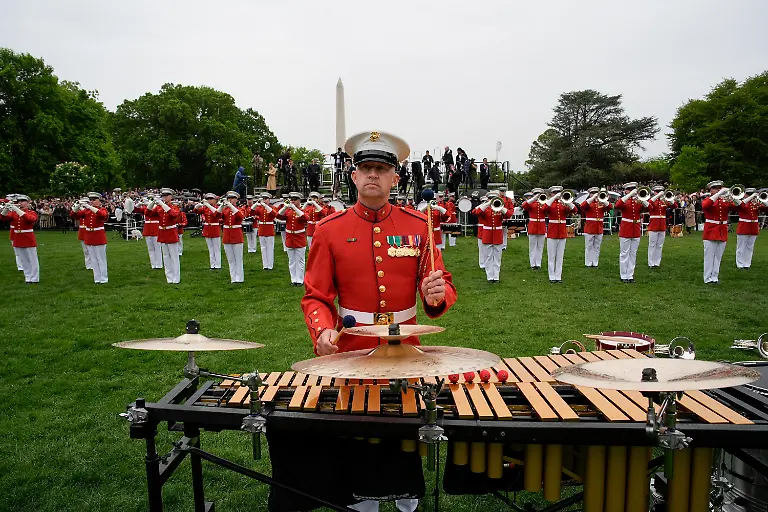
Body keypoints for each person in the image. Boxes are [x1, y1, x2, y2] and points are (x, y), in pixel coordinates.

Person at [302, 133, 455, 512]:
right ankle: (361, 498)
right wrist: (322, 330)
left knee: (405, 422)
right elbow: (316, 296)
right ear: (354, 177)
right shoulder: (329, 229)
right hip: (353, 349)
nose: (373, 175)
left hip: (407, 351)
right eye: (366, 168)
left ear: (395, 179)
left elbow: (441, 284)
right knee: (359, 429)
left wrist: (435, 295)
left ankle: (407, 497)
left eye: (382, 169)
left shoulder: (420, 225)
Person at [473, 191, 513, 282]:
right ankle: (490, 276)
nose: (492, 200)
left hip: (498, 235)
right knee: (488, 257)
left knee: (497, 257)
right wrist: (487, 204)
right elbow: (476, 212)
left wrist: (501, 207)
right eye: (491, 198)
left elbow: (509, 214)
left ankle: (496, 276)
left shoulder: (500, 208)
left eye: (494, 198)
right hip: (487, 235)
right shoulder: (485, 209)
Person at [702, 181, 736, 284]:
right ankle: (707, 278)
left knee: (718, 256)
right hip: (711, 230)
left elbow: (738, 207)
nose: (718, 189)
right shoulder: (708, 199)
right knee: (709, 256)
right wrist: (719, 194)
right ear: (710, 190)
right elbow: (705, 206)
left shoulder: (725, 201)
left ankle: (714, 277)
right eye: (715, 188)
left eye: (719, 188)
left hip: (722, 230)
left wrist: (732, 196)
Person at [614, 182, 649, 282]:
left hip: (636, 229)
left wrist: (643, 200)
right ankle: (623, 275)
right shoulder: (625, 201)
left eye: (634, 189)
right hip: (626, 229)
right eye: (630, 189)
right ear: (626, 190)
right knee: (624, 253)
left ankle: (630, 275)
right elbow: (617, 205)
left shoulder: (639, 201)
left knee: (633, 254)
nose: (633, 191)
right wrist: (628, 195)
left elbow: (650, 208)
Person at [1, 195, 39, 283]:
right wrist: (6, 208)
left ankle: (34, 278)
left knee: (32, 259)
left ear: (28, 202)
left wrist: (16, 209)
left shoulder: (31, 212)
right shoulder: (13, 213)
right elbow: (3, 218)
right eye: (19, 201)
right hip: (18, 238)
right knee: (23, 260)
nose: (20, 203)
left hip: (28, 238)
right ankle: (28, 277)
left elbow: (29, 219)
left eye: (22, 201)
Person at [73, 192, 109, 284]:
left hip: (99, 236)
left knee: (101, 258)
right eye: (91, 200)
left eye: (94, 200)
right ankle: (97, 278)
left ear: (99, 201)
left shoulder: (102, 209)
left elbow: (102, 215)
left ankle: (104, 278)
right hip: (89, 236)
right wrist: (77, 206)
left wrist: (89, 206)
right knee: (93, 258)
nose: (92, 201)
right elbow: (73, 215)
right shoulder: (86, 211)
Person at [542, 186, 575, 283]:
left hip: (562, 232)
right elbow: (544, 208)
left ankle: (558, 276)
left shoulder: (564, 204)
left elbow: (575, 210)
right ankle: (551, 276)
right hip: (552, 232)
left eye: (558, 192)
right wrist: (553, 198)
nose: (557, 194)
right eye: (555, 192)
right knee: (551, 256)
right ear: (551, 193)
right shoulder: (550, 203)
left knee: (560, 256)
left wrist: (567, 201)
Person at [278, 191, 308, 285]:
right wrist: (285, 207)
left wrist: (295, 208)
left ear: (299, 201)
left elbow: (305, 218)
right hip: (290, 238)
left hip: (299, 238)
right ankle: (293, 279)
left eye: (295, 200)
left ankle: (300, 280)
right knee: (291, 261)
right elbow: (278, 215)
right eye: (292, 200)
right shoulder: (288, 211)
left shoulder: (302, 210)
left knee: (300, 260)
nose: (293, 202)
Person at [734, 187, 767, 270]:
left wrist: (762, 199)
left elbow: (766, 207)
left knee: (750, 246)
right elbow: (740, 205)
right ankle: (740, 264)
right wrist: (750, 197)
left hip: (753, 226)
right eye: (749, 194)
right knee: (741, 246)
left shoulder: (757, 203)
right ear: (745, 194)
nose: (751, 196)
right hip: (744, 226)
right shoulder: (742, 202)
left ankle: (747, 264)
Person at [152, 189, 181, 284]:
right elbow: (148, 214)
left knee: (174, 257)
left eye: (167, 196)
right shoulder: (159, 207)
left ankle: (176, 278)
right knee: (166, 257)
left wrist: (162, 204)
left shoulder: (174, 206)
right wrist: (152, 203)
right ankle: (169, 277)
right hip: (162, 233)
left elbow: (174, 214)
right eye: (163, 196)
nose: (165, 197)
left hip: (171, 232)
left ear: (171, 197)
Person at [579, 187, 610, 267]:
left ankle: (595, 262)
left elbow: (610, 207)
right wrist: (592, 198)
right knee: (589, 246)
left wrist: (603, 200)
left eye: (596, 193)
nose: (594, 194)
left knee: (597, 247)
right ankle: (588, 263)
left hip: (599, 228)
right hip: (589, 228)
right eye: (592, 193)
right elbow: (582, 206)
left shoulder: (601, 203)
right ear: (589, 194)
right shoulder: (588, 203)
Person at [220, 191, 245, 283]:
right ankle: (233, 278)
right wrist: (222, 206)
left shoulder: (240, 209)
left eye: (232, 198)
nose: (230, 199)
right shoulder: (225, 210)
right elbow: (216, 215)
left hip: (237, 235)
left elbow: (240, 216)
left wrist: (230, 206)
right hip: (227, 235)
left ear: (236, 199)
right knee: (230, 259)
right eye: (229, 198)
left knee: (238, 258)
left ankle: (240, 278)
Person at [647, 185, 674, 268]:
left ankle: (657, 262)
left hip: (662, 225)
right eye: (657, 191)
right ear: (654, 192)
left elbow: (675, 206)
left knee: (659, 245)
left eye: (660, 191)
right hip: (654, 225)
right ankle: (651, 262)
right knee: (652, 244)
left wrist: (671, 201)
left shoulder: (664, 201)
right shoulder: (652, 200)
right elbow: (648, 204)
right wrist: (657, 196)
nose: (659, 193)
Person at [194, 194, 223, 269]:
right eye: (208, 199)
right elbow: (196, 211)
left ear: (215, 200)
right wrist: (198, 205)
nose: (209, 200)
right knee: (210, 248)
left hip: (215, 228)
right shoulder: (205, 208)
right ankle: (212, 264)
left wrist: (207, 205)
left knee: (216, 248)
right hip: (207, 229)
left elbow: (217, 214)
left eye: (211, 199)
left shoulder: (217, 207)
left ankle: (218, 265)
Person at [522, 188, 547, 270]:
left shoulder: (544, 203)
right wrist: (533, 199)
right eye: (536, 194)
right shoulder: (531, 203)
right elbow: (524, 206)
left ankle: (538, 263)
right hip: (533, 226)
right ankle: (533, 264)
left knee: (540, 246)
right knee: (532, 246)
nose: (538, 196)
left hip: (541, 226)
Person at [136, 195, 163, 269]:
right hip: (147, 229)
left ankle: (159, 264)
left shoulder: (157, 207)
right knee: (150, 248)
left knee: (157, 247)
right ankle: (153, 264)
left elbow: (154, 211)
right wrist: (141, 203)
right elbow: (136, 209)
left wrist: (153, 203)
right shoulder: (145, 207)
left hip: (155, 228)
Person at [253, 193, 277, 270]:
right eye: (263, 199)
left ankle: (270, 265)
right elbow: (251, 211)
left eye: (266, 199)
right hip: (262, 229)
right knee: (263, 248)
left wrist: (265, 206)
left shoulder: (272, 207)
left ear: (269, 200)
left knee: (270, 248)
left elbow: (274, 214)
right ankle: (265, 265)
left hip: (269, 229)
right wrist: (256, 204)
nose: (264, 200)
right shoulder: (259, 208)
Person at [71, 196, 92, 270]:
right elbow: (73, 215)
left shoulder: (90, 210)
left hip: (89, 231)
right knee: (85, 250)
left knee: (91, 249)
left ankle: (92, 264)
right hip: (82, 232)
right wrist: (76, 207)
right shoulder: (80, 211)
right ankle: (88, 265)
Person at [499, 186, 514, 250]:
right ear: (499, 192)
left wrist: (508, 215)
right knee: (498, 232)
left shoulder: (508, 199)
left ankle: (504, 245)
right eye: (501, 191)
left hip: (505, 217)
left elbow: (511, 208)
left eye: (503, 191)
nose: (502, 193)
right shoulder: (496, 199)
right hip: (498, 217)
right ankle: (498, 244)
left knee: (504, 232)